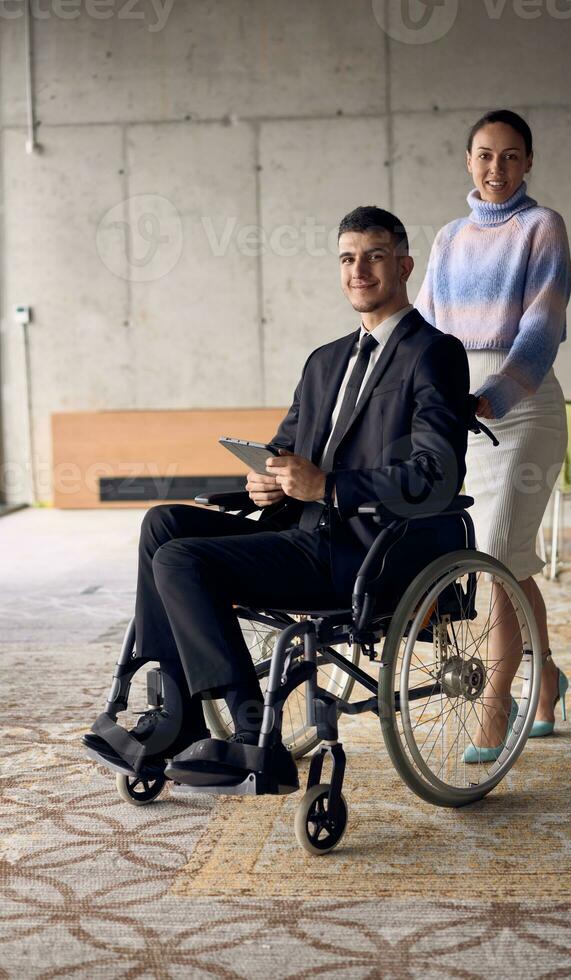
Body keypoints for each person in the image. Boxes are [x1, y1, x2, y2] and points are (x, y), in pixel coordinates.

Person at [83, 205, 470, 781]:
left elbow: (438, 475)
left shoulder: (432, 353)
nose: (358, 270)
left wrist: (331, 486)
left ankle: (247, 729)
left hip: (364, 549)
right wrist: (265, 479)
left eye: (374, 257)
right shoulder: (325, 361)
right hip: (296, 532)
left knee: (182, 559)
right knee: (163, 523)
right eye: (347, 258)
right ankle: (180, 713)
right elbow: (285, 447)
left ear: (404, 265)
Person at [415, 109, 571, 757]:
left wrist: (493, 395)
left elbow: (543, 326)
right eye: (484, 155)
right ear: (468, 160)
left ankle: (495, 703)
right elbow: (422, 323)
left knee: (498, 557)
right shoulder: (450, 238)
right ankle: (548, 681)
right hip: (459, 410)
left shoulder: (543, 227)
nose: (496, 168)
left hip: (522, 405)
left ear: (528, 161)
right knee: (512, 559)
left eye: (510, 156)